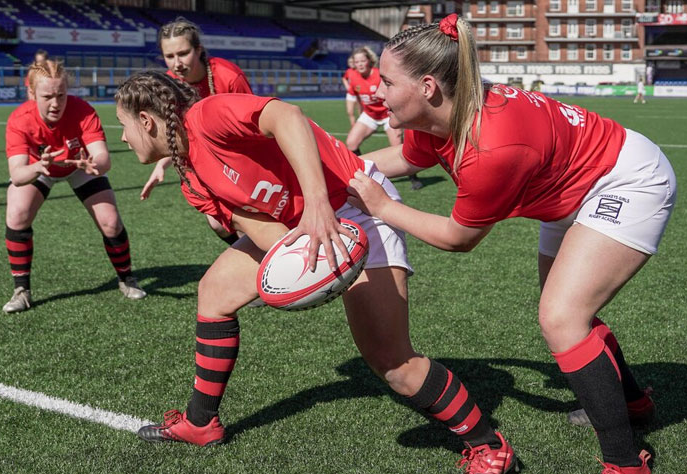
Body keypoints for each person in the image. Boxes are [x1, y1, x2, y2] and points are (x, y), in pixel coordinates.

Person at [115, 71, 518, 474]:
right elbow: (263, 231)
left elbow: (286, 116)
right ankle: (201, 422)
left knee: (393, 363)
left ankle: (488, 445)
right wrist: (300, 273)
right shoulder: (191, 178)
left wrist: (317, 203)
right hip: (307, 222)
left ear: (146, 121)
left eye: (123, 126)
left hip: (356, 202)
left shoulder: (206, 115)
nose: (122, 138)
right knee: (215, 293)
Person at [346, 15, 672, 473]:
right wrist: (338, 171)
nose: (375, 92)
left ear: (426, 87)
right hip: (570, 189)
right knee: (569, 312)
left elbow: (460, 239)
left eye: (385, 81)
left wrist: (383, 207)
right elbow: (402, 156)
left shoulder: (491, 145)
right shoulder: (442, 113)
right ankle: (634, 402)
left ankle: (625, 461)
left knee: (562, 318)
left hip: (625, 180)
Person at [0, 60, 147, 313]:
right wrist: (38, 167)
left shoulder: (83, 111)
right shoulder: (19, 120)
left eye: (61, 95)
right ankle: (21, 290)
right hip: (41, 168)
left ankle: (126, 278)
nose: (56, 103)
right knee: (17, 214)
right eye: (47, 96)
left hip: (79, 166)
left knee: (110, 221)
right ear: (31, 94)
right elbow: (17, 175)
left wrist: (93, 165)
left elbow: (103, 159)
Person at [137, 18, 255, 246]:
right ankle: (253, 258)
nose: (177, 63)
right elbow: (174, 133)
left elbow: (254, 125)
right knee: (218, 223)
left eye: (183, 53)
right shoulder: (166, 86)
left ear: (198, 50)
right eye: (169, 56)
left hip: (241, 154)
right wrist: (161, 164)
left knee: (255, 214)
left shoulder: (228, 76)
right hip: (201, 160)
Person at [344, 46, 422, 191]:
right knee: (351, 142)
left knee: (398, 147)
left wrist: (400, 118)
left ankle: (414, 178)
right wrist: (354, 119)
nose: (360, 64)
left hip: (388, 113)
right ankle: (365, 175)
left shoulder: (379, 75)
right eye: (357, 61)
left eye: (362, 60)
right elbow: (356, 99)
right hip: (370, 115)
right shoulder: (352, 76)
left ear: (369, 61)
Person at [342, 54, 359, 129]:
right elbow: (344, 78)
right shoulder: (348, 71)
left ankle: (361, 127)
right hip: (350, 94)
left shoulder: (360, 70)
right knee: (350, 111)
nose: (351, 63)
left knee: (361, 112)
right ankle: (353, 126)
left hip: (359, 95)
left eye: (353, 62)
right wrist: (347, 86)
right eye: (350, 62)